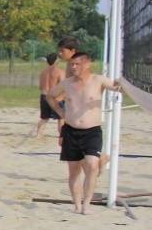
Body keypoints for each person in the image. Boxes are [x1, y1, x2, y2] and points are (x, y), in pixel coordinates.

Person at [45, 52, 125, 215]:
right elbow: (50, 96)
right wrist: (61, 112)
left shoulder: (98, 80)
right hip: (71, 131)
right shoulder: (67, 83)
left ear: (87, 65)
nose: (74, 67)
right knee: (74, 171)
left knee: (91, 165)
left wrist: (121, 83)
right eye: (72, 64)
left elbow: (118, 89)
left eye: (77, 64)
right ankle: (77, 205)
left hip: (92, 131)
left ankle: (87, 204)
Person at [36, 53, 66, 139]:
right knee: (60, 118)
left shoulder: (43, 72)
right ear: (56, 60)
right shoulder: (60, 72)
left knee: (44, 118)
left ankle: (38, 134)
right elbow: (62, 86)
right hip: (54, 97)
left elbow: (41, 87)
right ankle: (61, 135)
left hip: (44, 95)